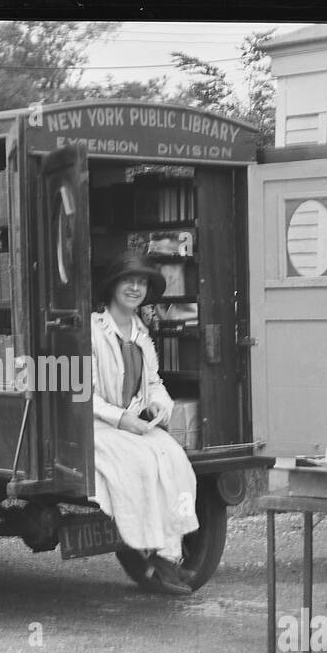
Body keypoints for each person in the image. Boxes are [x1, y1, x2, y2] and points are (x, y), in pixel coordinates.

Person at [89, 253, 200, 595]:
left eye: (141, 283)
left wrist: (159, 406)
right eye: (128, 281)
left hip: (136, 424)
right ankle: (150, 552)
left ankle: (169, 554)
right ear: (112, 287)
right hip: (97, 426)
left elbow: (153, 383)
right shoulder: (89, 331)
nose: (135, 288)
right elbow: (80, 395)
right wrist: (122, 418)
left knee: (175, 460)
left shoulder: (141, 332)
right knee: (139, 465)